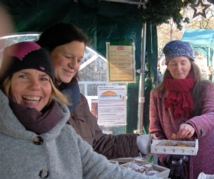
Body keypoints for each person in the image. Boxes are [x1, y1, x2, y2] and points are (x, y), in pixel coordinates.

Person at [0, 41, 206, 179]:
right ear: (6, 83)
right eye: (23, 76)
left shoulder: (64, 135)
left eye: (43, 78)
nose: (35, 86)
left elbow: (109, 175)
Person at [36, 23, 151, 160]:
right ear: (45, 53)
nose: (74, 65)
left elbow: (97, 143)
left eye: (79, 60)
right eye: (68, 57)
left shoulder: (78, 99)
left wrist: (138, 143)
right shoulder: (30, 99)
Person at [149, 40, 214, 179]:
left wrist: (194, 124)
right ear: (166, 65)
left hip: (202, 162)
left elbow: (213, 115)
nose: (179, 68)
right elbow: (154, 129)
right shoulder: (157, 94)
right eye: (173, 63)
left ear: (191, 62)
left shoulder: (205, 87)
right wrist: (165, 154)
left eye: (183, 62)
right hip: (173, 167)